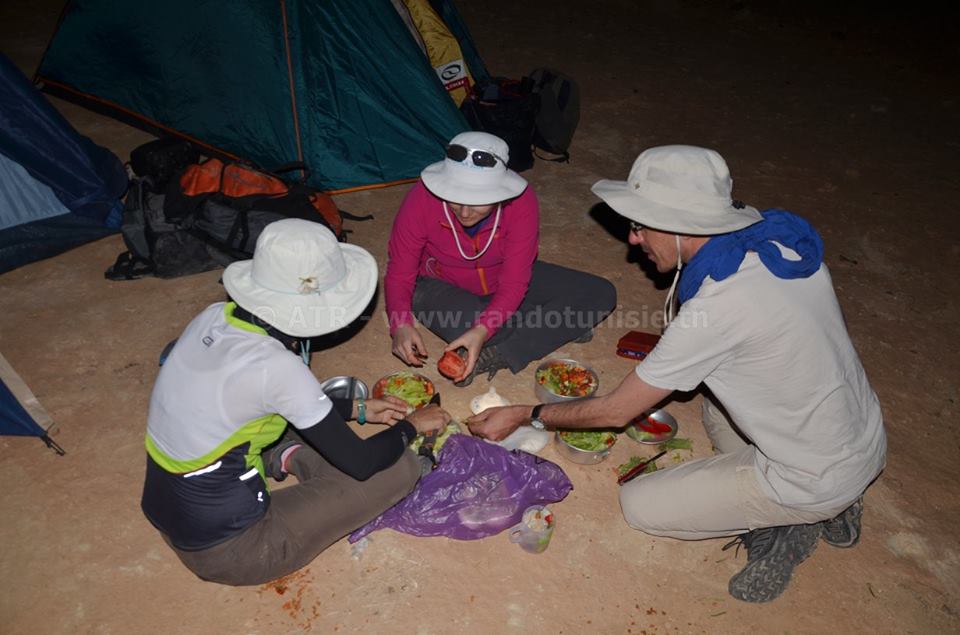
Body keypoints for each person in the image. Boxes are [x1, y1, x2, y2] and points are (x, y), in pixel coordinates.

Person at [467, 145, 886, 603]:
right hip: (860, 434)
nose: (633, 239)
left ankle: (793, 517)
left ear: (681, 226)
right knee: (714, 408)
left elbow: (614, 411)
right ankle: (821, 498)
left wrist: (525, 414)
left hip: (816, 475)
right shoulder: (780, 248)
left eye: (639, 225)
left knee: (639, 505)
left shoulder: (720, 306)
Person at [140, 219, 450, 586]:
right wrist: (410, 426)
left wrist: (357, 408)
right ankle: (290, 456)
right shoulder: (278, 368)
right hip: (234, 550)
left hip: (171, 510)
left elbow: (265, 393)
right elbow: (363, 463)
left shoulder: (212, 317)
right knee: (399, 469)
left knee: (281, 418)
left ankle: (284, 455)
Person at [385, 131, 617, 386]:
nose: (464, 212)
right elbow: (399, 271)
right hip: (439, 284)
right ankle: (553, 324)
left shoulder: (520, 202)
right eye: (455, 198)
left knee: (600, 293)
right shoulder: (422, 198)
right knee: (483, 324)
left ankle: (501, 351)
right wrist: (400, 324)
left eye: (477, 202)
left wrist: (483, 330)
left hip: (503, 277)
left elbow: (515, 283)